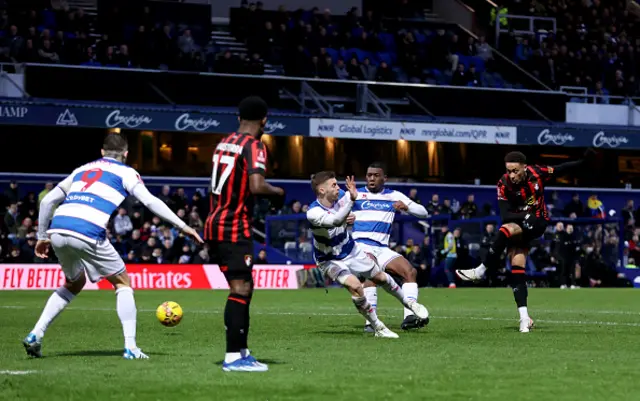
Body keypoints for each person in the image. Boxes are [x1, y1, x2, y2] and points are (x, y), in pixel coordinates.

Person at [24, 134, 203, 359]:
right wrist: (183, 225)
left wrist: (42, 236)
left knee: (74, 282)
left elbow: (48, 200)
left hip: (58, 228)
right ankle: (131, 347)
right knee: (122, 283)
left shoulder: (82, 169)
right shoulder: (126, 172)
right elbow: (149, 201)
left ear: (102, 152)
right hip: (87, 229)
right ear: (126, 154)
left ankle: (35, 334)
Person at [456, 150, 592, 333]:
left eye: (515, 171)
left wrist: (583, 162)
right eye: (509, 171)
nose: (511, 175)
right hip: (521, 221)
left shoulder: (537, 173)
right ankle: (524, 319)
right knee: (517, 265)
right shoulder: (502, 184)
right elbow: (505, 215)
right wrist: (525, 214)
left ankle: (481, 270)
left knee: (506, 230)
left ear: (524, 168)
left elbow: (561, 169)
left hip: (538, 222)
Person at [204, 96, 285, 373]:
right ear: (265, 120)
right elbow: (257, 185)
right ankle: (232, 358)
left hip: (214, 222)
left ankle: (242, 350)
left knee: (244, 288)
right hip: (233, 226)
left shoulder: (223, 143)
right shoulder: (254, 146)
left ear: (239, 118)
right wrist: (279, 193)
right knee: (240, 288)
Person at [306, 171, 429, 338]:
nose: (338, 188)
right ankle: (377, 326)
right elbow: (334, 221)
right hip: (329, 259)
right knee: (356, 286)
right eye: (334, 185)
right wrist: (351, 202)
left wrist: (350, 199)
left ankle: (409, 303)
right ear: (321, 190)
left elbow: (347, 202)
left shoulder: (341, 196)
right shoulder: (313, 212)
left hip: (350, 249)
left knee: (381, 278)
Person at [351, 163, 430, 332]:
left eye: (376, 175)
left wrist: (407, 207)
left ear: (384, 178)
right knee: (371, 272)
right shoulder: (355, 194)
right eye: (369, 175)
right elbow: (334, 211)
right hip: (361, 245)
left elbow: (424, 212)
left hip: (381, 248)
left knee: (410, 272)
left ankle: (409, 316)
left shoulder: (394, 195)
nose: (372, 178)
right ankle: (370, 323)